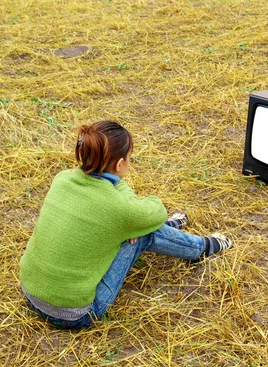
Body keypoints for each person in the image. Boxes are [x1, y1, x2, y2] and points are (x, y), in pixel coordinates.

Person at [19, 120, 232, 329]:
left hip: (30, 292)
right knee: (143, 232)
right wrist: (131, 209)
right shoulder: (118, 207)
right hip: (75, 315)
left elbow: (118, 205)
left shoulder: (62, 179)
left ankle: (152, 227)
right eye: (130, 158)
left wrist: (129, 212)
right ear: (120, 164)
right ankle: (203, 247)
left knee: (134, 223)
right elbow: (157, 210)